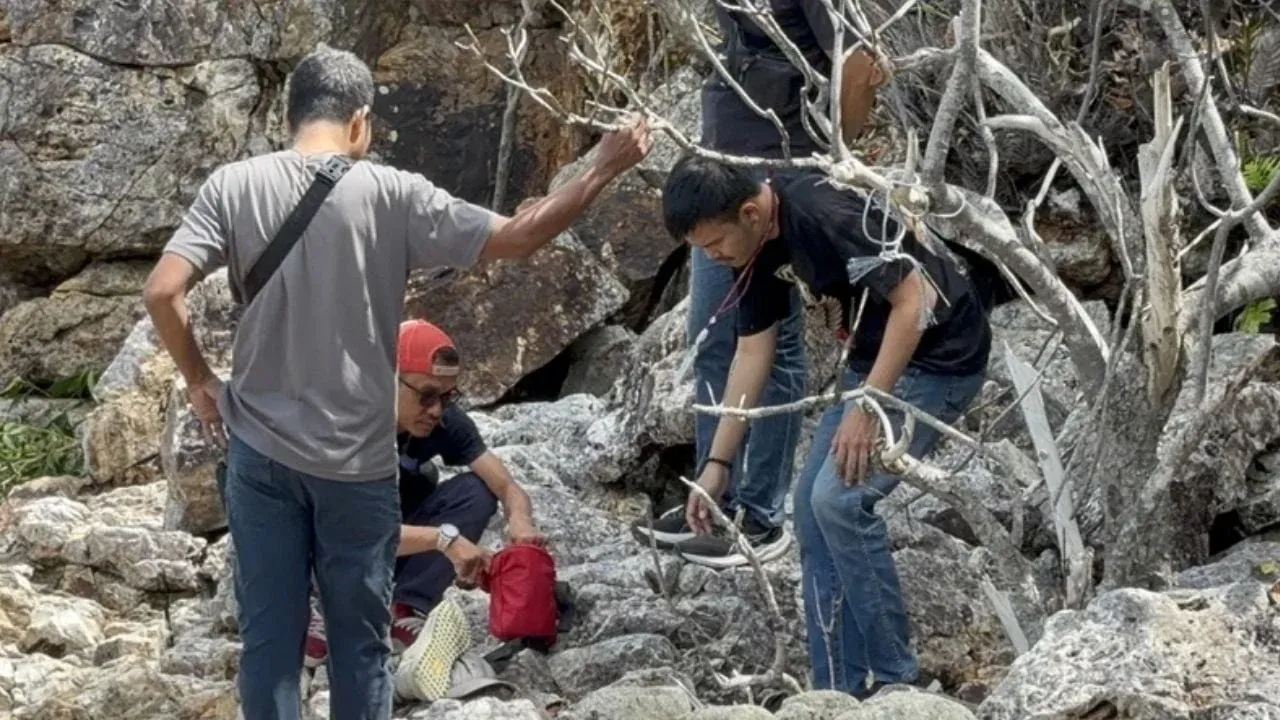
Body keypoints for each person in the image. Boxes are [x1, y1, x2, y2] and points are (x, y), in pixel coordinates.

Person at [142, 45, 651, 720]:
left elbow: (162, 291)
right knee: (360, 645)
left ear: (294, 116)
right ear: (359, 122)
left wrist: (200, 379)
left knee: (270, 643)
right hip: (356, 466)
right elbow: (522, 237)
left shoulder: (232, 186)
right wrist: (604, 166)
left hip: (261, 456)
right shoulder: (393, 194)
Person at [660, 154, 990, 698]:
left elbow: (917, 299)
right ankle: (836, 692)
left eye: (714, 244)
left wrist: (868, 408)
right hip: (871, 357)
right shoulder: (750, 241)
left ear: (749, 212)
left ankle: (899, 681)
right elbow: (752, 351)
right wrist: (717, 465)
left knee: (839, 502)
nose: (713, 257)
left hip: (939, 356)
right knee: (811, 513)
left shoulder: (822, 212)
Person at [632, 0, 890, 568]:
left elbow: (860, 59)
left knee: (770, 346)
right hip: (723, 172)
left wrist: (834, 156)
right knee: (713, 338)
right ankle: (712, 502)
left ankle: (760, 514)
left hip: (774, 179)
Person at [302, 320, 545, 699]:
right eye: (427, 396)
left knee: (475, 490)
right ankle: (314, 607)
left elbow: (504, 484)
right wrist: (445, 540)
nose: (436, 410)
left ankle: (404, 607)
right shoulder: (345, 425)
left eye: (448, 397)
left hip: (386, 539)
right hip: (328, 546)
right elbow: (355, 530)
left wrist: (520, 519)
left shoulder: (443, 420)